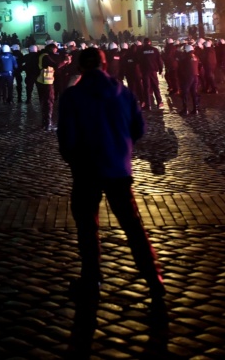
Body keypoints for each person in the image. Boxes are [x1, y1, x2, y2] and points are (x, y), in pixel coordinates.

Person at [57, 47, 165, 302]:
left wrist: (73, 159)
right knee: (133, 226)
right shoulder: (123, 93)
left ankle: (91, 280)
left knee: (87, 228)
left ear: (80, 68)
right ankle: (154, 278)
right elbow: (138, 128)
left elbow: (66, 137)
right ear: (105, 66)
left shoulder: (72, 97)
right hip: (118, 169)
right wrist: (122, 149)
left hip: (85, 171)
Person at [36, 42, 71, 131]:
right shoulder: (45, 56)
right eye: (55, 49)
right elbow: (56, 65)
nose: (56, 51)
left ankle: (45, 123)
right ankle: (48, 124)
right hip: (46, 82)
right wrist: (66, 61)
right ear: (52, 48)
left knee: (45, 102)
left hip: (42, 81)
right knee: (49, 102)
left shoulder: (43, 55)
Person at [138, 37, 164, 110]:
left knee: (146, 88)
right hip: (153, 71)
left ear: (144, 43)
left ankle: (148, 105)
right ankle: (159, 102)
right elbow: (159, 60)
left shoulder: (141, 50)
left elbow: (139, 61)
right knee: (155, 87)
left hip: (145, 71)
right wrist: (161, 70)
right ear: (150, 42)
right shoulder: (155, 50)